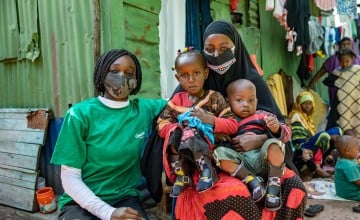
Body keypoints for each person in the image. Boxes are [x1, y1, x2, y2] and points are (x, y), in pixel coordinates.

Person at [169, 20, 306, 220]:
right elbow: (173, 120)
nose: (216, 55)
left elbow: (277, 124)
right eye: (209, 49)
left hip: (257, 154)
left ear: (237, 47)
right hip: (211, 161)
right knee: (234, 194)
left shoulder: (252, 81)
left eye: (224, 49)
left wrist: (259, 139)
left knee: (293, 185)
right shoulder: (194, 80)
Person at [50, 49, 167, 220]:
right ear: (101, 74)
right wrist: (107, 212)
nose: (122, 77)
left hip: (124, 197)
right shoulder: (79, 115)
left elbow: (180, 102)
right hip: (81, 201)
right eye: (114, 71)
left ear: (137, 80)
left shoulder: (143, 110)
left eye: (129, 73)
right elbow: (69, 178)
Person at [157, 48, 238, 197]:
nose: (191, 80)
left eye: (196, 73)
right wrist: (179, 127)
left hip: (211, 152)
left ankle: (207, 170)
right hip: (184, 155)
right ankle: (182, 174)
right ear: (177, 78)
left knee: (191, 131)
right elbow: (162, 124)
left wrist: (209, 119)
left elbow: (232, 125)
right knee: (178, 133)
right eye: (184, 75)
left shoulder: (214, 98)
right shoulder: (176, 101)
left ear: (205, 73)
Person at [213, 79, 291, 211]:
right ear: (227, 102)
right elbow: (215, 140)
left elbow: (287, 135)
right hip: (241, 162)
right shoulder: (226, 121)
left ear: (257, 101)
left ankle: (273, 185)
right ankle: (251, 180)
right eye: (239, 100)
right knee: (219, 153)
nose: (246, 105)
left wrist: (276, 128)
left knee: (274, 144)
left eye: (251, 100)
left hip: (263, 159)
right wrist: (219, 137)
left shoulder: (262, 116)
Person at [289, 91, 342, 180]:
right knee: (324, 136)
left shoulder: (307, 117)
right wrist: (313, 139)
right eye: (304, 103)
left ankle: (332, 156)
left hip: (308, 141)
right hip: (301, 146)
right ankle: (322, 162)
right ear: (299, 104)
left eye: (310, 103)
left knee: (337, 130)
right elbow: (299, 140)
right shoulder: (296, 116)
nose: (307, 106)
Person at [307, 37, 360, 106]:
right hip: (336, 97)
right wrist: (309, 86)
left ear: (352, 45)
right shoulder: (333, 59)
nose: (346, 46)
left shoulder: (358, 59)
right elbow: (320, 73)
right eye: (343, 44)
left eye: (348, 44)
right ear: (340, 46)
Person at [324, 48, 360, 139]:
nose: (344, 64)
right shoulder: (337, 72)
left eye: (347, 61)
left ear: (352, 58)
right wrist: (338, 81)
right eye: (342, 62)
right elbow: (327, 81)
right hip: (340, 103)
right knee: (337, 126)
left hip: (356, 102)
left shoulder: (357, 70)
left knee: (356, 122)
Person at [334, 135, 360, 203]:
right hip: (351, 194)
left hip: (342, 192)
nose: (358, 151)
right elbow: (358, 182)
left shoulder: (343, 159)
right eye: (357, 149)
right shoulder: (349, 165)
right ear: (347, 151)